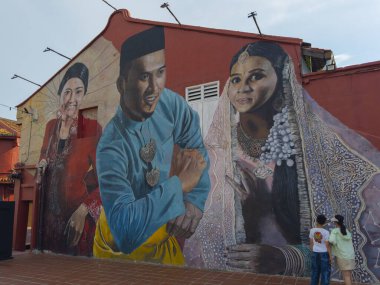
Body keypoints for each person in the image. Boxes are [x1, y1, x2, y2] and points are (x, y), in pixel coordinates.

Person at [183, 40, 380, 283]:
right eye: (235, 79)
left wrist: (287, 258)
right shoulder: (214, 155)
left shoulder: (314, 151)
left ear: (282, 79)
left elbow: (353, 243)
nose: (243, 87)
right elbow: (200, 241)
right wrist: (249, 215)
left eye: (256, 76)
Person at [94, 26, 210, 265]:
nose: (154, 88)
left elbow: (196, 150)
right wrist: (180, 185)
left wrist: (194, 201)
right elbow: (125, 230)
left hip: (162, 242)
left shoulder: (171, 105)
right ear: (122, 84)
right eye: (144, 76)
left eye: (160, 73)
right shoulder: (110, 146)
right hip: (119, 253)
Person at [38, 62, 102, 256]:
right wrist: (42, 163)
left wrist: (84, 210)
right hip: (49, 222)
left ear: (84, 96)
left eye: (78, 92)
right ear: (60, 94)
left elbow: (106, 179)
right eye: (67, 92)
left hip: (76, 222)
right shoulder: (50, 127)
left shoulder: (90, 128)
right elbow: (44, 154)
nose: (72, 99)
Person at [329, 215, 356, 285]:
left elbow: (331, 241)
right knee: (349, 275)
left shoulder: (335, 231)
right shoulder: (346, 230)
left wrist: (334, 243)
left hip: (342, 256)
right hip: (351, 255)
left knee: (346, 276)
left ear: (335, 222)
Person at [309, 214, 331, 285]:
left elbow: (311, 243)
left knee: (315, 272)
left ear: (316, 221)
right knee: (325, 272)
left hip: (315, 253)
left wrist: (312, 252)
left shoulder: (312, 230)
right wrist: (330, 256)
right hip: (324, 253)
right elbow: (327, 245)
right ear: (324, 223)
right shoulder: (326, 232)